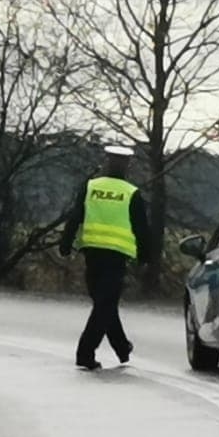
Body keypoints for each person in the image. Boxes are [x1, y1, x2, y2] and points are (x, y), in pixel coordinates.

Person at [58, 144, 148, 371]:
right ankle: (85, 352)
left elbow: (75, 216)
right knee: (105, 304)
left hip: (92, 252)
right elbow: (142, 229)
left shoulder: (91, 187)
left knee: (103, 303)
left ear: (107, 161)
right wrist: (146, 257)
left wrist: (66, 243)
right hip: (116, 256)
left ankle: (121, 348)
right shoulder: (131, 193)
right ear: (128, 165)